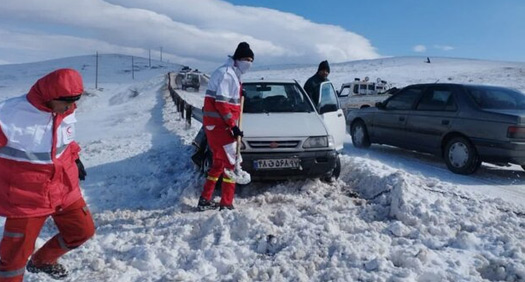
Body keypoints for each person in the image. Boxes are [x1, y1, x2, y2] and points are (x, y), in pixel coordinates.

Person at [0, 69, 95, 281]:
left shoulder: (65, 110)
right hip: (26, 199)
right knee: (13, 260)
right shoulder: (9, 115)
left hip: (63, 189)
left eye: (74, 101)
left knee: (82, 231)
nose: (71, 107)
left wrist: (75, 157)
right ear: (49, 97)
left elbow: (64, 141)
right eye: (66, 102)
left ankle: (42, 261)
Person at [197, 42, 254, 211]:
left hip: (217, 127)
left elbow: (229, 100)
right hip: (220, 127)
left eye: (251, 60)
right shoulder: (227, 74)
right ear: (237, 58)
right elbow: (222, 104)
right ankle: (226, 203)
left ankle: (205, 199)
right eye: (246, 58)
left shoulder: (233, 74)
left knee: (219, 165)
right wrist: (232, 126)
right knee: (232, 164)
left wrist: (239, 92)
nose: (248, 62)